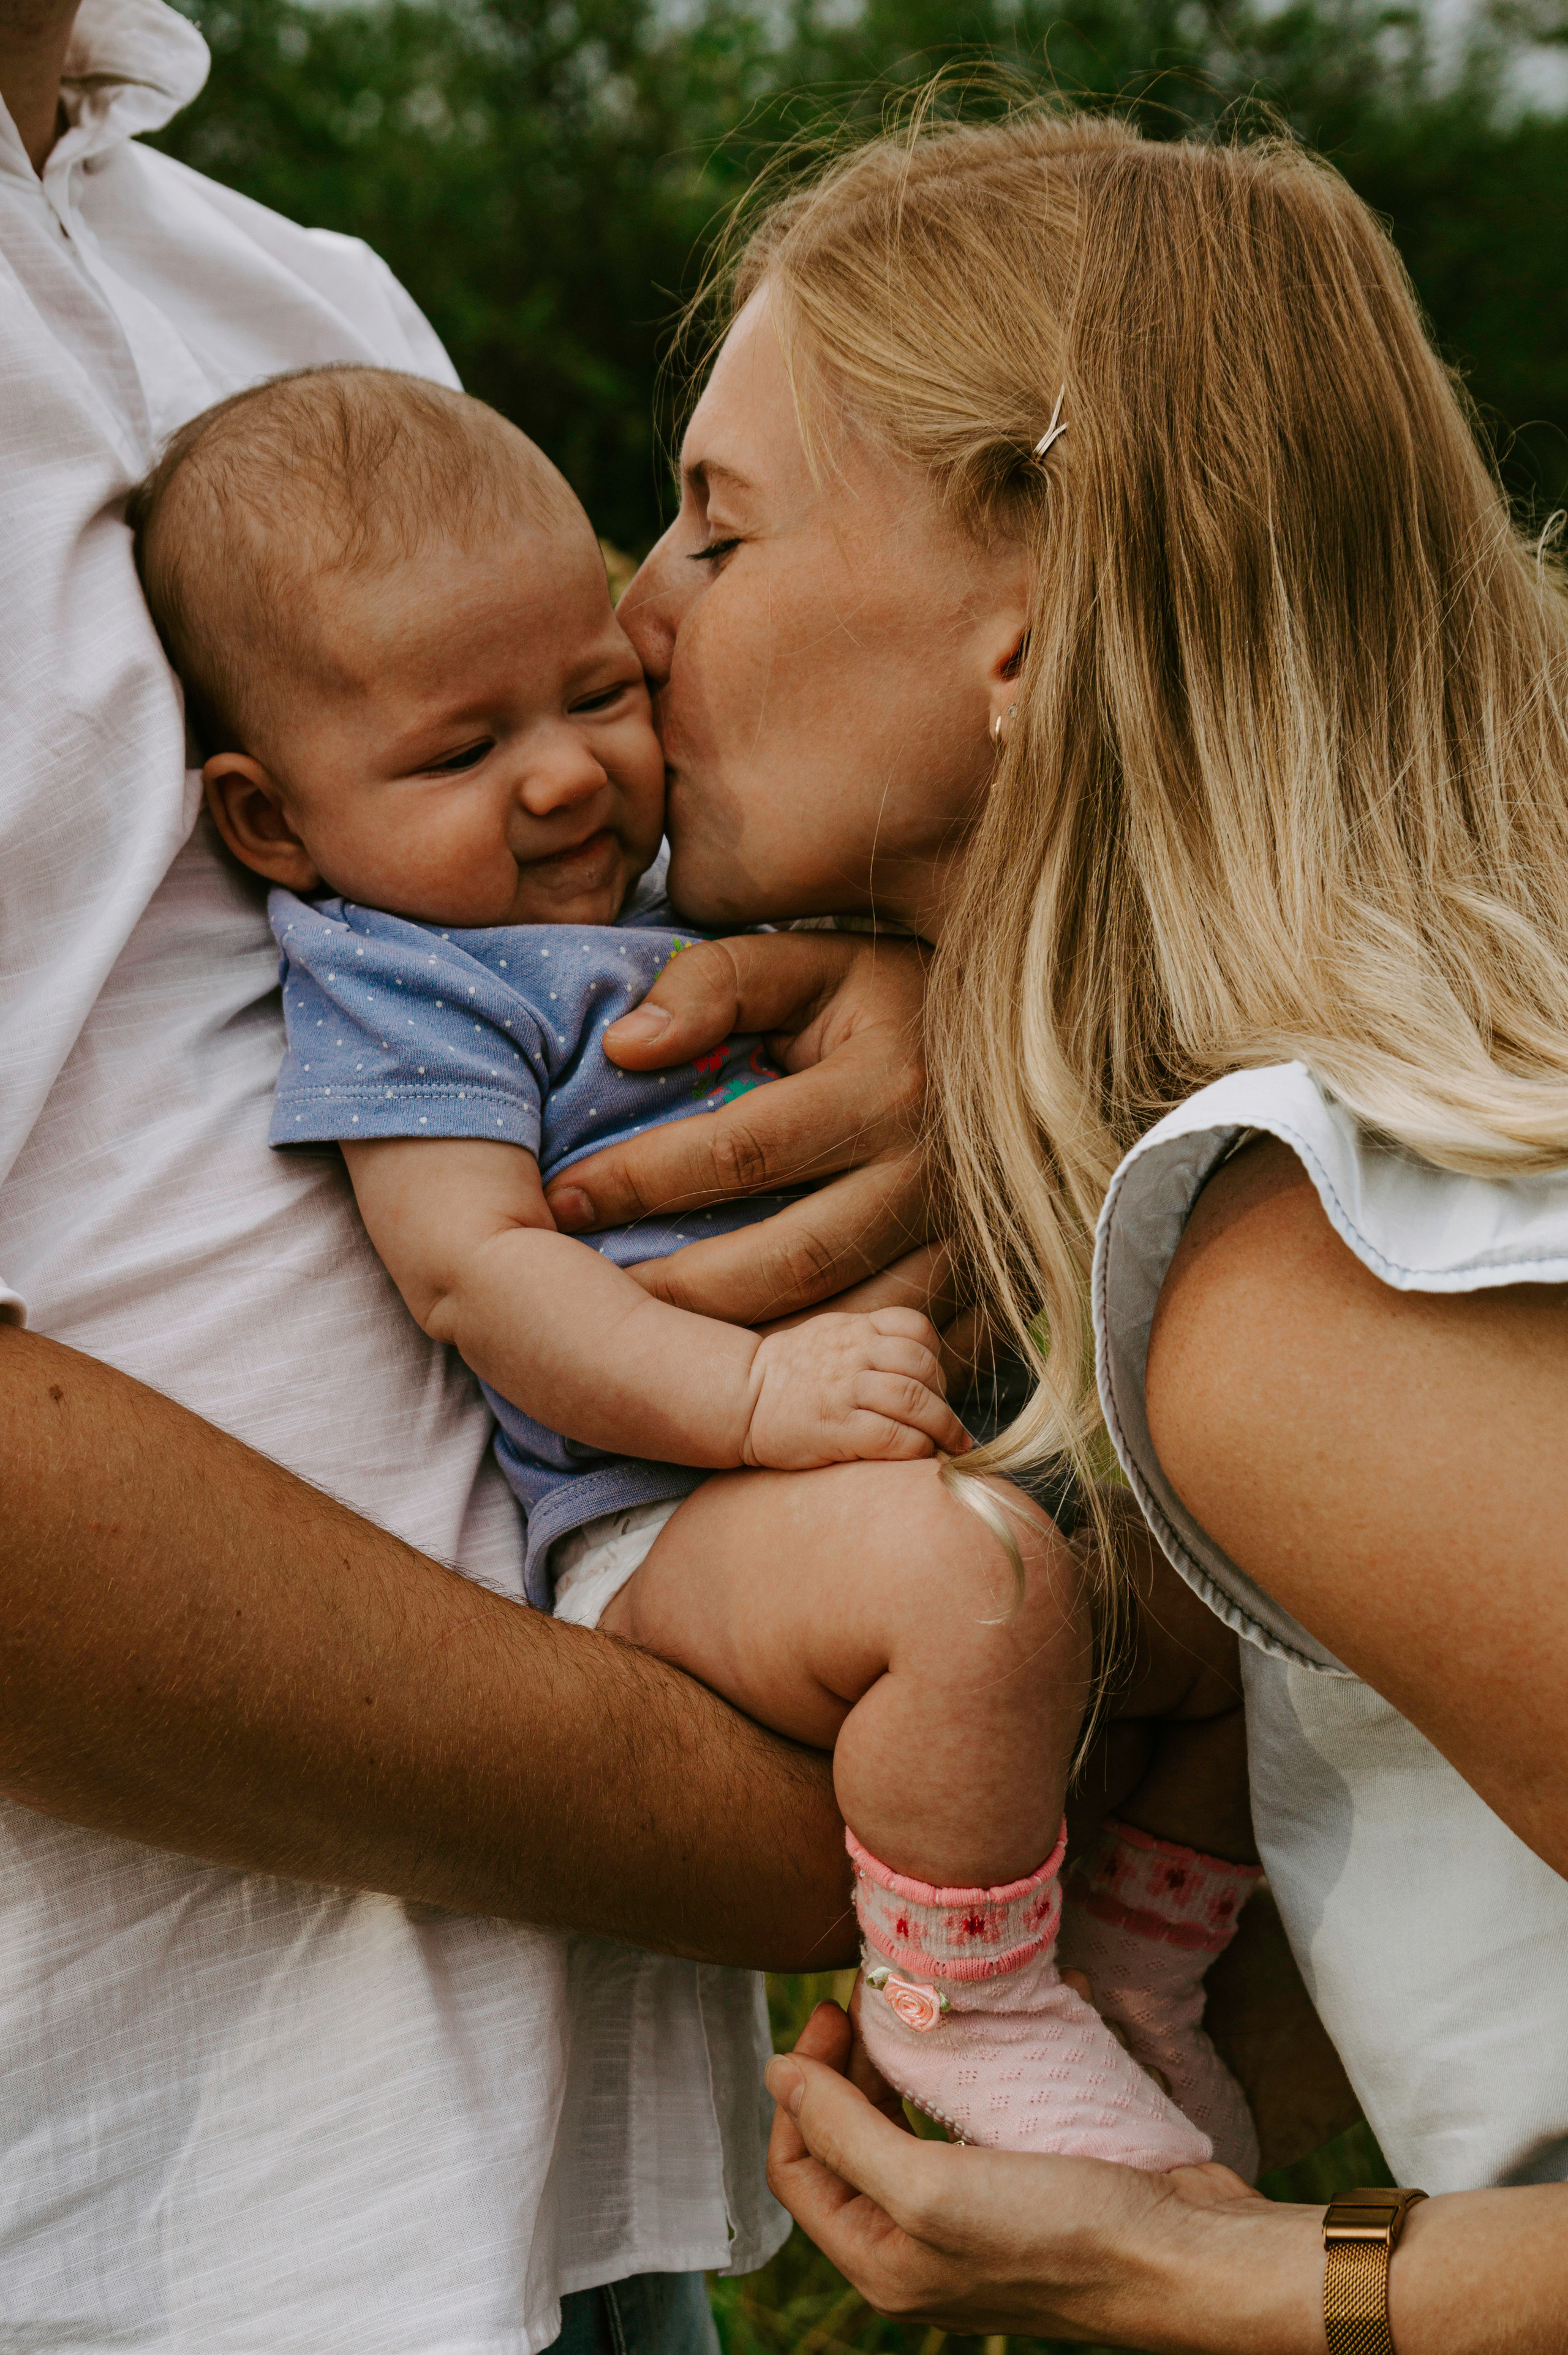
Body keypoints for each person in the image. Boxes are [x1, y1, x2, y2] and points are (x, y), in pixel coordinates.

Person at [0, 4, 946, 2345]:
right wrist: (753, 1829)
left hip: (554, 2130)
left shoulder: (282, 283)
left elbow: (603, 869)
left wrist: (893, 1001)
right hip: (131, 2210)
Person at [597, 101, 1568, 2338]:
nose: (630, 612)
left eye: (718, 530)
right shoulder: (1417, 1168)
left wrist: (1226, 2278)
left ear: (1026, 639)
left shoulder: (1295, 1291)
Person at [124, 357, 1264, 2170]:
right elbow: (476, 1270)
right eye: (460, 753)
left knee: (1216, 1613)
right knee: (974, 1591)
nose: (565, 773)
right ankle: (963, 2007)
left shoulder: (679, 893)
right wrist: (749, 1393)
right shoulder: (406, 975)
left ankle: (1139, 1970)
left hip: (887, 1454)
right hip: (672, 1520)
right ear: (271, 821)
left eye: (598, 692)